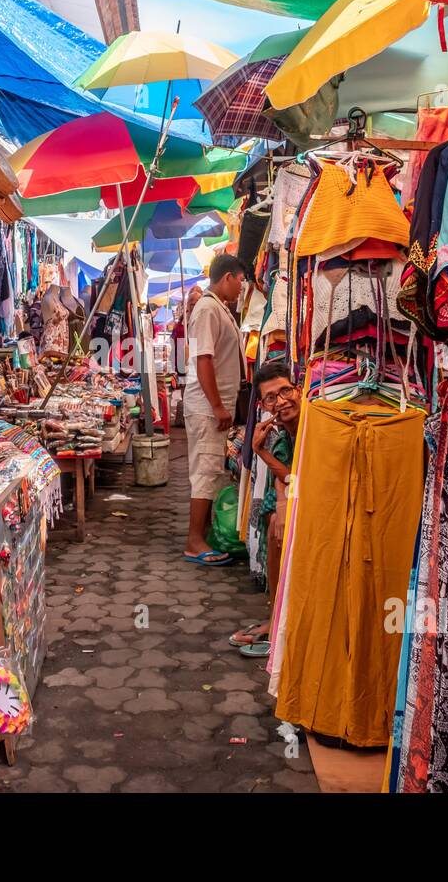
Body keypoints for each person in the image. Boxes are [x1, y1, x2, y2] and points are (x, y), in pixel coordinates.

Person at [229, 361, 301, 657]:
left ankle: (278, 621)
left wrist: (260, 452)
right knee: (271, 517)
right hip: (302, 490)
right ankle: (277, 616)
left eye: (285, 391)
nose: (282, 401)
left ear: (298, 390)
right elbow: (287, 474)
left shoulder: (313, 423)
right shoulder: (282, 431)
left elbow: (296, 476)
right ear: (263, 405)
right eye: (272, 397)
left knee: (273, 523)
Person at [183, 254, 247, 565]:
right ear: (228, 277)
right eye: (241, 280)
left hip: (211, 403)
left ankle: (202, 534)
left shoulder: (217, 308)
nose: (242, 286)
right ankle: (194, 540)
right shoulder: (208, 309)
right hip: (207, 405)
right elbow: (202, 360)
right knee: (205, 470)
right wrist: (218, 405)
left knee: (210, 469)